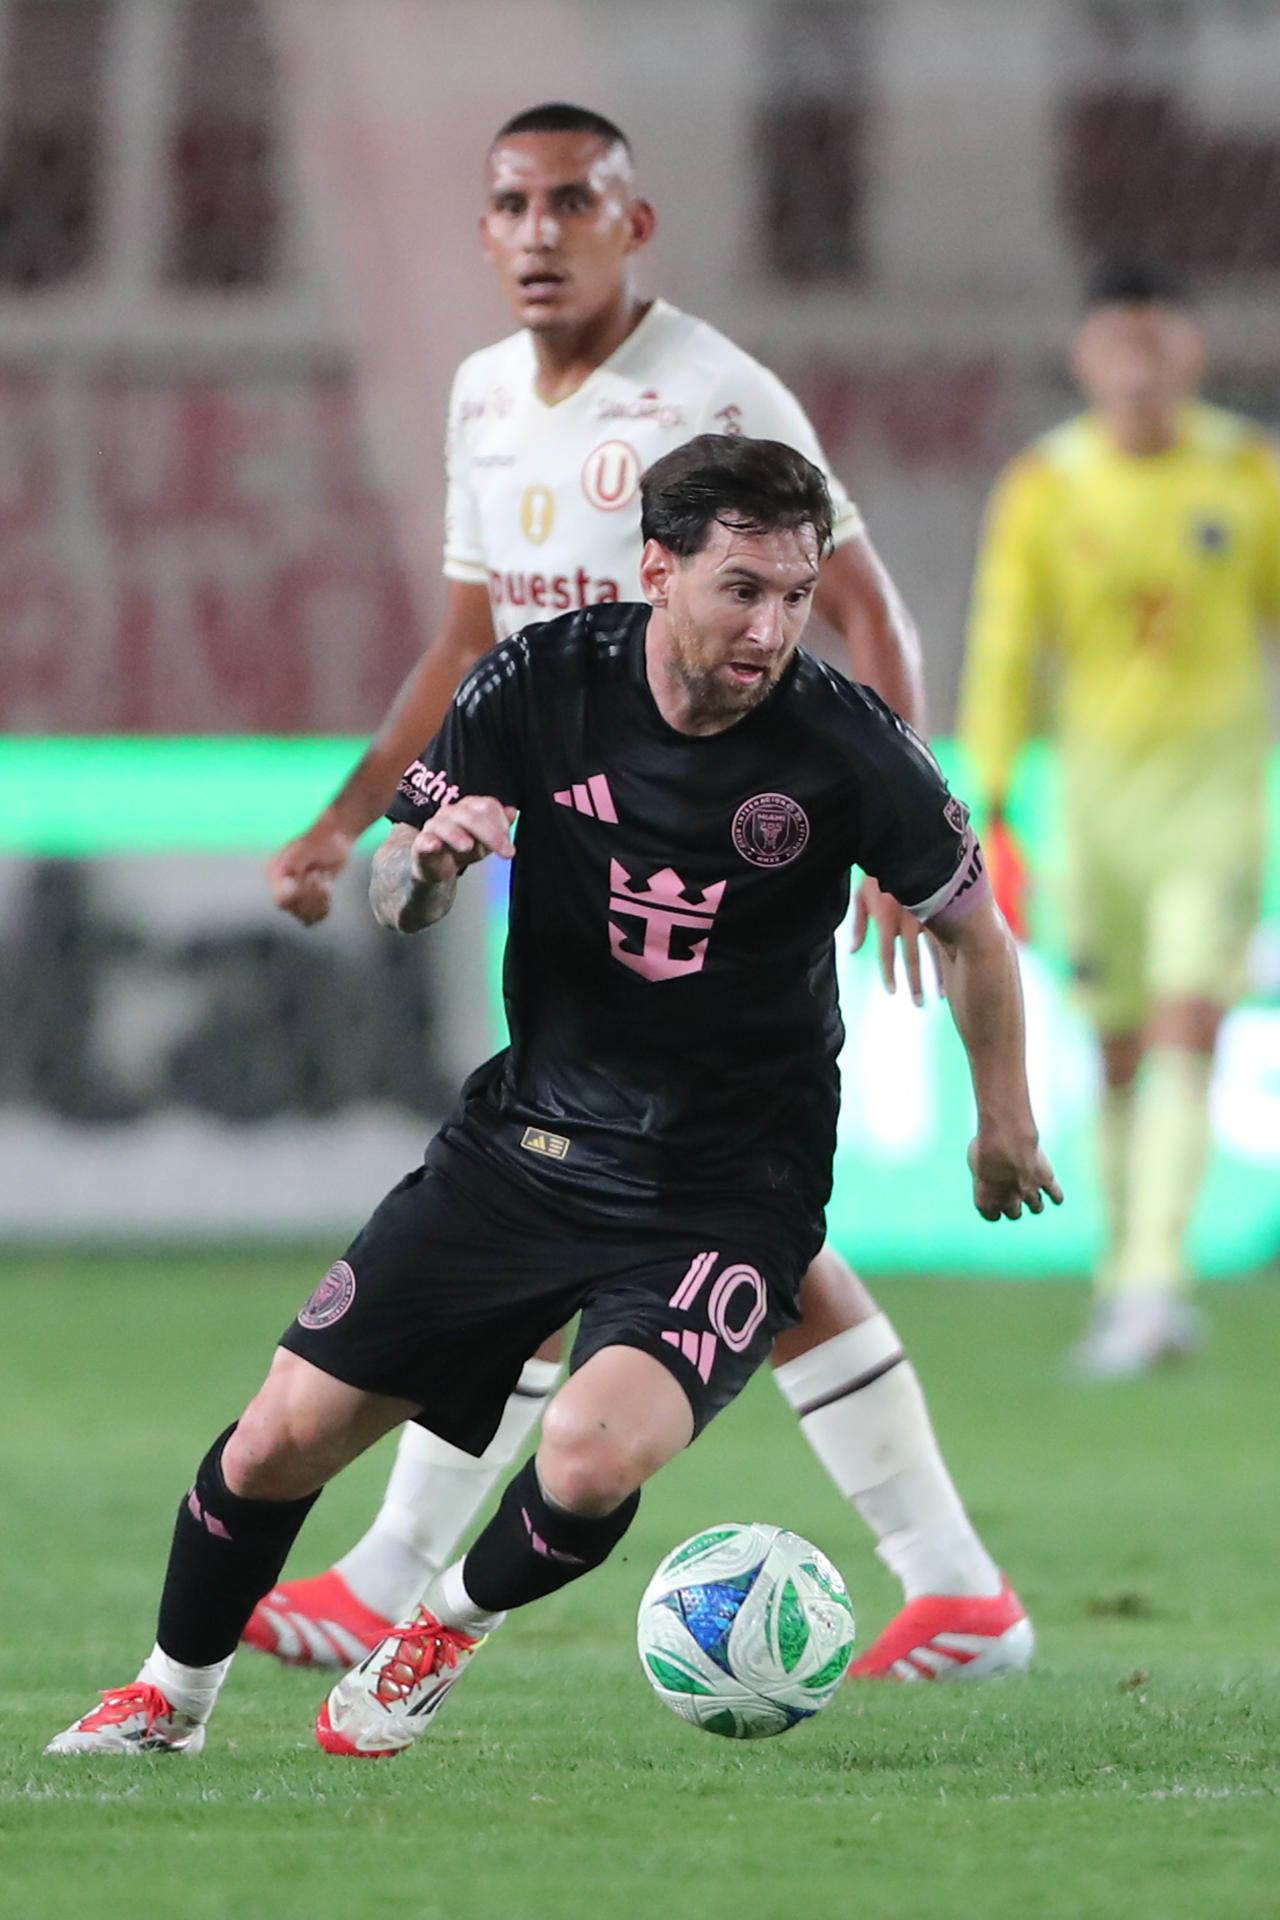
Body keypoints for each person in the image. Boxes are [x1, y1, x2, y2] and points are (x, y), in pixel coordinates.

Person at [49, 436, 1060, 1758]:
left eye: (799, 595)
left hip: (728, 1183)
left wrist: (1005, 1123)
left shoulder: (843, 743)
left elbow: (973, 931)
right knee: (277, 1439)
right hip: (522, 1150)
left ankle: (441, 1627)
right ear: (658, 569)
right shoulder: (537, 683)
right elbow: (397, 900)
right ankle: (166, 1702)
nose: (774, 628)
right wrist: (429, 862)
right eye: (743, 589)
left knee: (586, 1459)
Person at [250, 101, 1034, 1682]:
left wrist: (903, 832)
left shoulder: (718, 391)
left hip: (726, 853)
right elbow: (471, 642)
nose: (539, 234)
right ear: (482, 229)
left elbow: (867, 618)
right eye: (510, 206)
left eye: (572, 203)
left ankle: (387, 1568)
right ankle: (957, 1587)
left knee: (609, 1203)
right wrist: (355, 820)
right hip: (566, 862)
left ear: (633, 222)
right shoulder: (481, 395)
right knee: (671, 1224)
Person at [960, 261, 1280, 1379]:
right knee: (1115, 1051)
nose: (1136, 367)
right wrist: (988, 808)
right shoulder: (1045, 488)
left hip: (1214, 801)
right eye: (1116, 346)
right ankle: (1121, 1277)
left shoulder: (1245, 474)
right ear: (1086, 358)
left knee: (1193, 1020)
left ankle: (1153, 1283)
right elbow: (1004, 654)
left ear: (1188, 353)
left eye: (1156, 345)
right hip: (1092, 810)